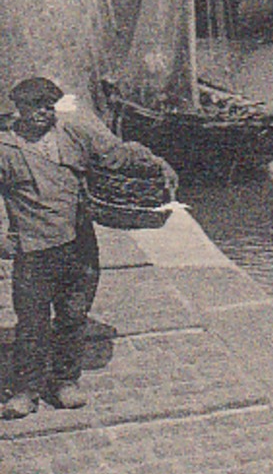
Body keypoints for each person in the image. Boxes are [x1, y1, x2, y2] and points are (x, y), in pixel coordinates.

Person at [0, 76, 176, 420]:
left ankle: (65, 381)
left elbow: (117, 155)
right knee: (32, 323)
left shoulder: (74, 133)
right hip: (33, 250)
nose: (42, 113)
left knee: (73, 316)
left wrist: (155, 161)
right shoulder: (6, 149)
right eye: (34, 106)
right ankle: (25, 391)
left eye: (48, 106)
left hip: (79, 245)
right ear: (18, 109)